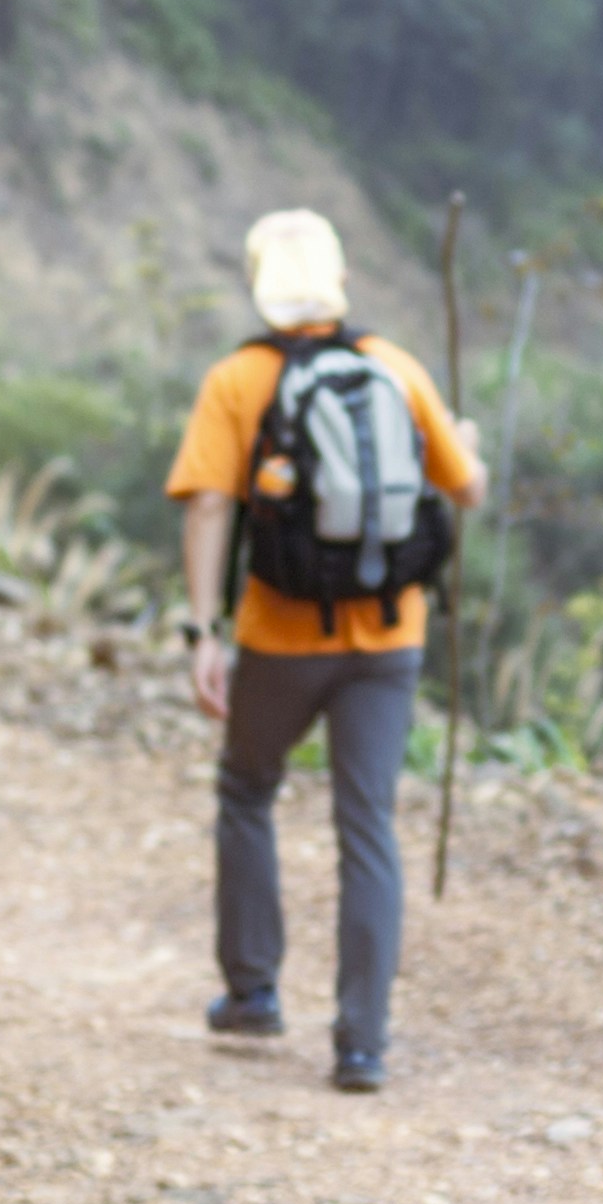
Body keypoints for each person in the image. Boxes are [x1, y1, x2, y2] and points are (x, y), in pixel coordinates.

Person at [164, 209, 481, 1093]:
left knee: (247, 788)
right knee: (366, 826)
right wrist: (467, 442)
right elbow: (469, 486)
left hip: (281, 636)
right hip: (389, 639)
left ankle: (254, 991)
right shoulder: (396, 365)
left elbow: (208, 506)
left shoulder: (238, 379)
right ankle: (363, 1044)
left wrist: (202, 631)